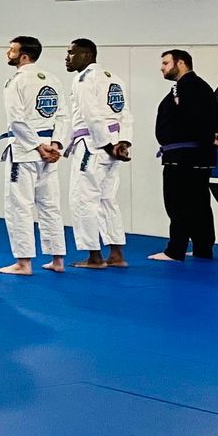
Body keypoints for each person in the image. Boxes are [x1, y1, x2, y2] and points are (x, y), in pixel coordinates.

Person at [0, 36, 68, 275]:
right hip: (50, 150)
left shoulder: (15, 81)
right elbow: (62, 116)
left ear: (24, 56)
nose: (8, 53)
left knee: (19, 205)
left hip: (26, 151)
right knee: (50, 205)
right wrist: (55, 144)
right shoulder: (53, 79)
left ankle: (23, 262)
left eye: (12, 50)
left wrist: (38, 146)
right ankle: (57, 259)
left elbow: (16, 119)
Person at [155, 48, 218, 262]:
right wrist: (217, 137)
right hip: (196, 156)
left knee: (178, 203)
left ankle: (175, 250)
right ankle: (203, 248)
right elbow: (217, 116)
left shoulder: (188, 87)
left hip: (184, 157)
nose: (162, 68)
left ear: (181, 63)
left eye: (166, 63)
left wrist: (210, 138)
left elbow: (197, 118)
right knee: (198, 203)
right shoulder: (198, 87)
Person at [67, 38, 130, 269]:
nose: (67, 58)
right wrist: (122, 143)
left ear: (86, 55)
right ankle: (116, 254)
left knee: (84, 199)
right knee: (107, 199)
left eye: (71, 53)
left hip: (92, 145)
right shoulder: (114, 79)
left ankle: (94, 256)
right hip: (113, 144)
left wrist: (106, 146)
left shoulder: (83, 80)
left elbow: (92, 116)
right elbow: (125, 115)